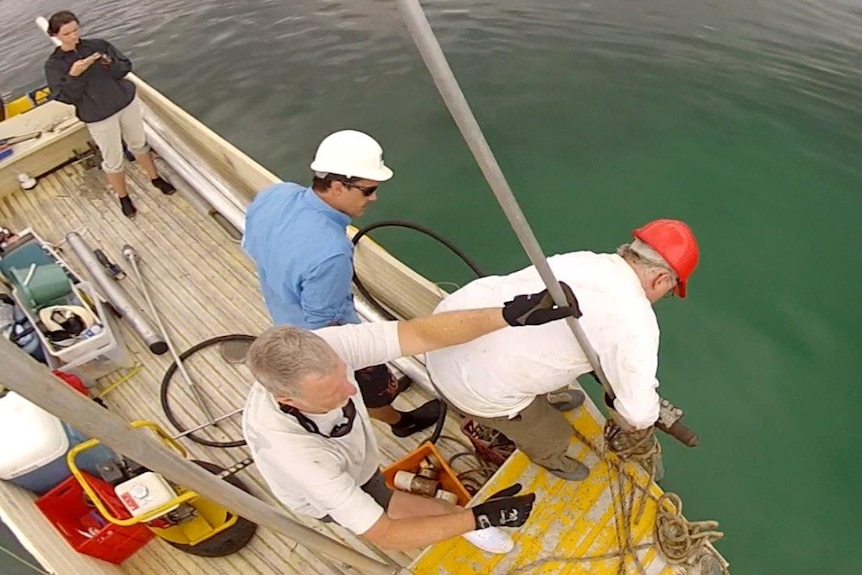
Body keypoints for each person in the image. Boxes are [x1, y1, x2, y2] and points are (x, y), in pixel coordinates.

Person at [242, 283, 579, 552]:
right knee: (396, 506)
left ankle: (470, 521)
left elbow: (418, 334)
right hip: (335, 481)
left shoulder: (324, 348)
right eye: (331, 393)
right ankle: (475, 527)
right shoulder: (300, 458)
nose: (350, 390)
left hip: (357, 453)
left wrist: (507, 315)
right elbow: (384, 533)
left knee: (434, 509)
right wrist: (480, 517)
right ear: (287, 400)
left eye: (346, 374)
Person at [424, 219, 700, 481]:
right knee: (553, 433)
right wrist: (650, 409)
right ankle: (551, 458)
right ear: (661, 279)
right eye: (669, 291)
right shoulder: (636, 321)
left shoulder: (584, 260)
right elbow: (637, 414)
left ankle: (537, 400)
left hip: (445, 329)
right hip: (469, 384)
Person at [243, 130, 441, 437]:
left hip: (281, 309)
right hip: (319, 339)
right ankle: (398, 421)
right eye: (368, 190)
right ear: (337, 186)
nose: (374, 197)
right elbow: (326, 325)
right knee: (367, 379)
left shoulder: (276, 194)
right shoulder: (331, 253)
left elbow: (251, 243)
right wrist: (363, 358)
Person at [44, 10, 175, 219]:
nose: (73, 36)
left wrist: (108, 63)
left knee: (138, 143)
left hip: (125, 102)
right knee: (113, 158)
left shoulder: (98, 45)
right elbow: (65, 96)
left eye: (75, 30)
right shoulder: (54, 65)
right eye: (67, 33)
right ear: (56, 35)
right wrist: (74, 74)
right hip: (98, 115)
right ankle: (123, 196)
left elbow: (124, 67)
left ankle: (155, 178)